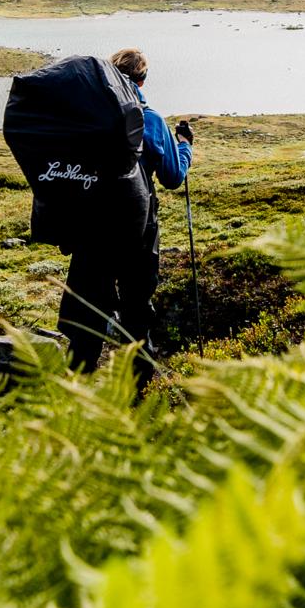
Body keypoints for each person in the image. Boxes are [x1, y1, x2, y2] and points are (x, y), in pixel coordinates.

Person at [58, 48, 192, 384]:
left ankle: (75, 389)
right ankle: (138, 395)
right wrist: (185, 145)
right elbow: (174, 177)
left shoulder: (87, 117)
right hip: (138, 234)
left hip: (91, 232)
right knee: (136, 314)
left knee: (88, 313)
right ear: (143, 79)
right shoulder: (152, 120)